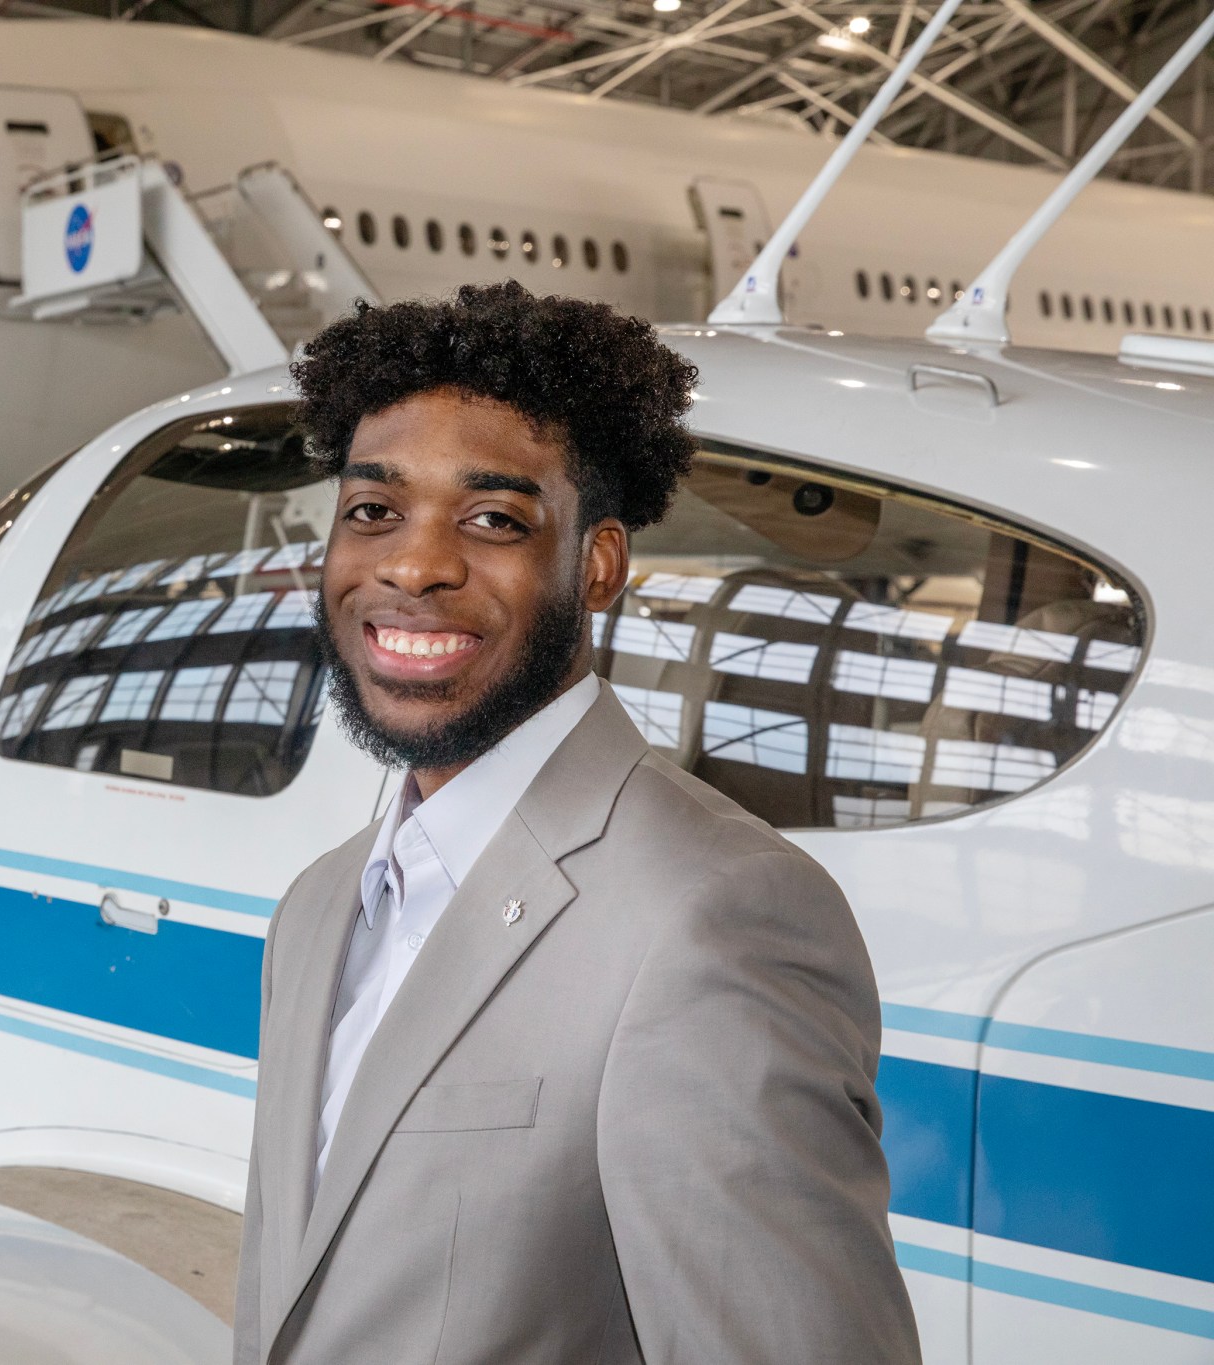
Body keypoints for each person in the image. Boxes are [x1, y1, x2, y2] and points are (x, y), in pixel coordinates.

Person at [234, 283, 920, 1365]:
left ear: (596, 565)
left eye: (492, 520)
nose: (411, 565)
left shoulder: (711, 916)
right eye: (372, 511)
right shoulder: (319, 906)